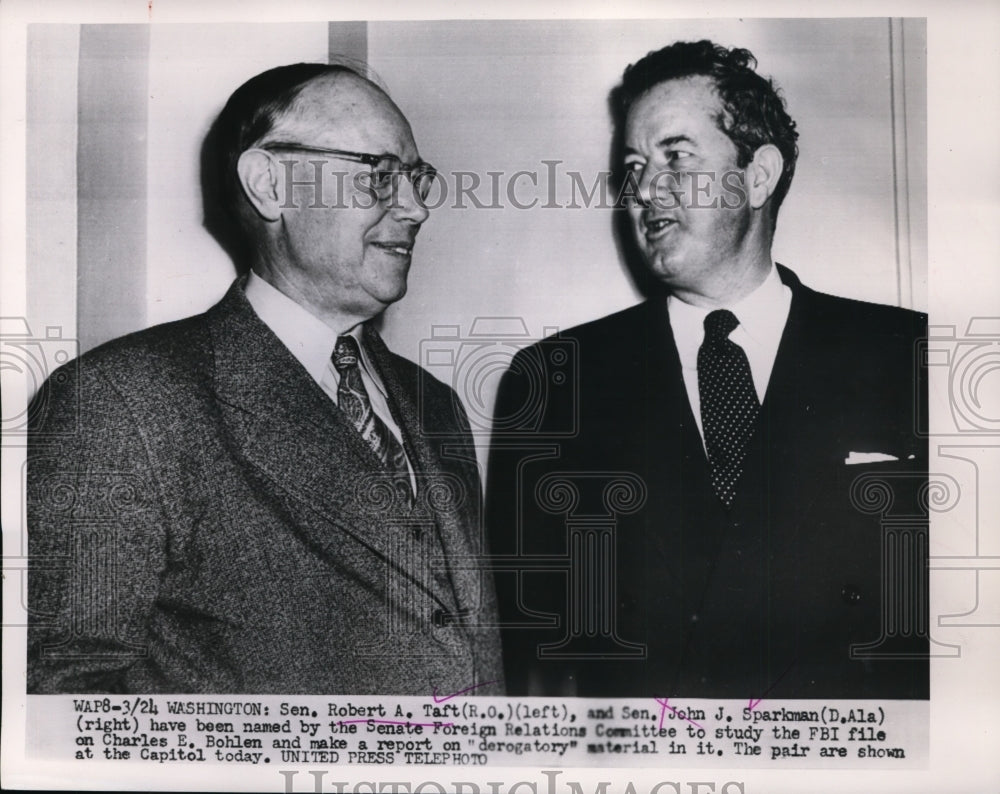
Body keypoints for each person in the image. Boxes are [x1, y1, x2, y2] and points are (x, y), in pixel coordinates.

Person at [27, 63, 503, 695]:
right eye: (380, 175)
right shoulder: (119, 402)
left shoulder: (434, 403)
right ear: (268, 184)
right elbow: (73, 698)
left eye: (417, 179)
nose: (415, 208)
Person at [487, 40, 928, 699]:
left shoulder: (908, 352)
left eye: (675, 158)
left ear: (759, 175)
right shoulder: (553, 380)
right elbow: (524, 653)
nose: (643, 191)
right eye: (633, 167)